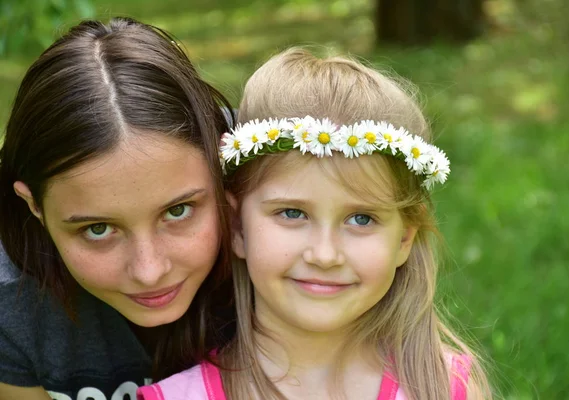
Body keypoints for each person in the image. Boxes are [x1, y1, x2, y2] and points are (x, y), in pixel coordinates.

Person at [138, 47, 492, 399]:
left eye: (361, 218)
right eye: (292, 213)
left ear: (404, 239)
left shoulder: (447, 389)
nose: (325, 255)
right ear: (237, 226)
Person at [0, 18, 235, 400]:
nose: (149, 271)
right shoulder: (10, 308)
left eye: (177, 211)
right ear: (34, 207)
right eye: (97, 229)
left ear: (224, 170)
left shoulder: (295, 237)